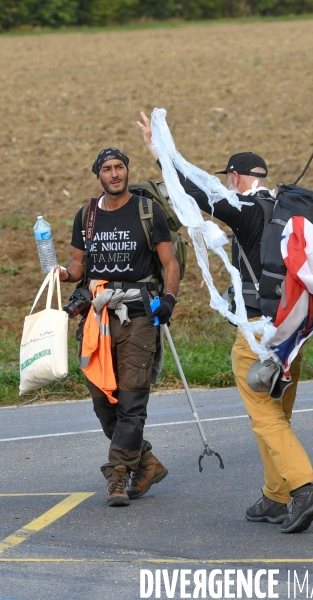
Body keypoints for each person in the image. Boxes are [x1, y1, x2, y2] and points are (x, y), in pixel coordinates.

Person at [138, 113, 313, 533]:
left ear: (237, 177)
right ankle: (277, 496)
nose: (224, 183)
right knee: (278, 413)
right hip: (294, 330)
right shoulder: (287, 209)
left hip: (259, 333)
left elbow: (196, 196)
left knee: (264, 414)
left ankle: (302, 490)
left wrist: (161, 155)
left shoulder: (246, 210)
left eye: (228, 177)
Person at [56, 147, 180, 507]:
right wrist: (63, 273)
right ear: (98, 176)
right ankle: (147, 463)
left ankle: (118, 475)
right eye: (107, 169)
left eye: (120, 167)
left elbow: (168, 262)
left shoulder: (147, 211)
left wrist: (168, 299)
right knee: (102, 400)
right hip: (96, 317)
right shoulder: (88, 215)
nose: (114, 174)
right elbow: (78, 266)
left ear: (127, 171)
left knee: (131, 397)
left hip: (139, 313)